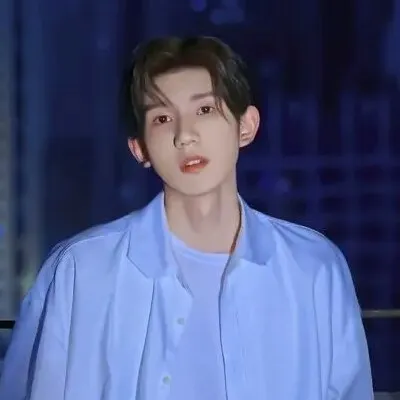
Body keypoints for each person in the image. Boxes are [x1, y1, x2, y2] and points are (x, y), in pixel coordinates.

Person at [0, 36, 373, 400]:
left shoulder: (313, 266)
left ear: (245, 126)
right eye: (162, 118)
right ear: (140, 148)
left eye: (205, 110)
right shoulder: (82, 269)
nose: (185, 135)